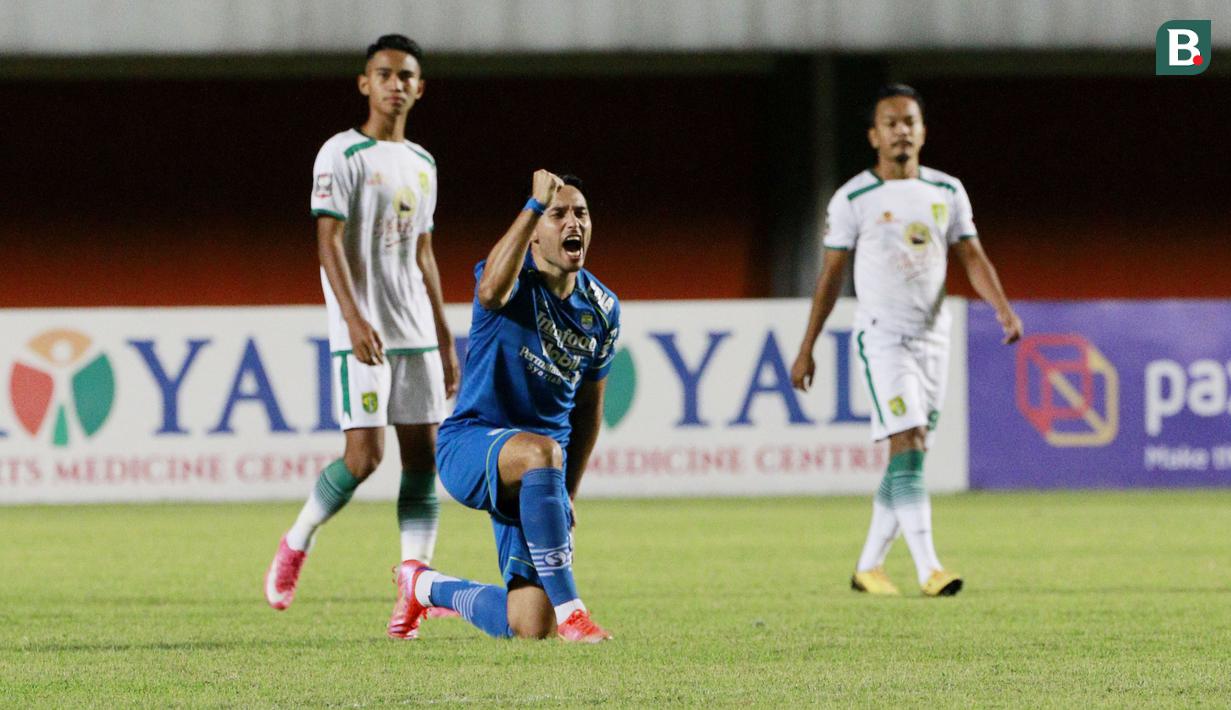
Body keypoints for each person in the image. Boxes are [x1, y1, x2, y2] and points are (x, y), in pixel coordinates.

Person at [791, 84, 1022, 598]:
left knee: (909, 455)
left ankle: (868, 567)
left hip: (934, 339)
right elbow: (830, 276)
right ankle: (929, 569)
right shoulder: (853, 198)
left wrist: (1002, 308)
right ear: (875, 135)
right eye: (891, 123)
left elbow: (972, 256)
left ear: (923, 131)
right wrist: (808, 346)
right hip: (884, 338)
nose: (902, 130)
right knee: (910, 439)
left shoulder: (947, 192)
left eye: (910, 122)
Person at [264, 34, 460, 640]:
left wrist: (448, 336)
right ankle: (297, 541)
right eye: (384, 74)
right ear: (364, 84)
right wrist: (351, 318)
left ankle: (412, 591)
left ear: (419, 88)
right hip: (363, 329)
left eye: (406, 76)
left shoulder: (423, 163)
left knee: (424, 462)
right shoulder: (341, 154)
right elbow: (327, 240)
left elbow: (424, 253)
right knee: (365, 457)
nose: (395, 84)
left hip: (416, 333)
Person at [390, 170, 619, 643]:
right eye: (558, 214)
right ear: (535, 233)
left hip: (539, 475)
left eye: (581, 213)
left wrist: (565, 494)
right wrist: (533, 205)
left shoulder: (602, 309)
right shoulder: (513, 280)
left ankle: (423, 585)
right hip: (471, 443)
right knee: (540, 451)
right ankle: (575, 613)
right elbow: (490, 290)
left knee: (529, 625)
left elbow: (588, 411)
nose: (572, 222)